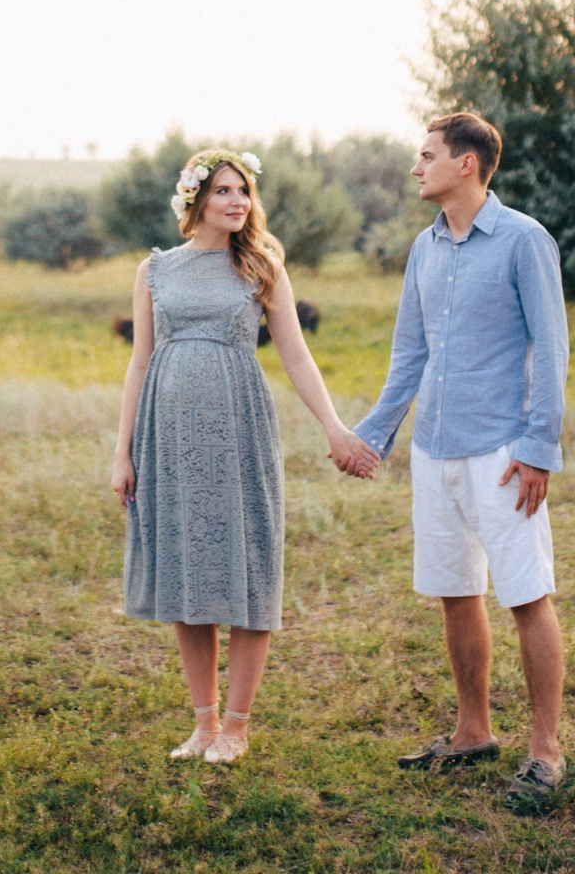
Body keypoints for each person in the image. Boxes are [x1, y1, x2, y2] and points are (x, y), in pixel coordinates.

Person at [112, 148, 380, 763]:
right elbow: (139, 360)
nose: (238, 202)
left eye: (244, 191)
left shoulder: (262, 266)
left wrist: (336, 429)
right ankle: (203, 724)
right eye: (224, 191)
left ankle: (237, 727)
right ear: (195, 200)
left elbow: (296, 356)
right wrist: (122, 451)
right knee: (187, 571)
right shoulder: (156, 270)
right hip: (169, 434)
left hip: (239, 429)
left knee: (247, 564)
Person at [350, 112, 572, 813]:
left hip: (504, 453)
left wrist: (538, 450)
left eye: (426, 156)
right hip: (434, 451)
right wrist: (374, 437)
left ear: (466, 164)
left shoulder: (523, 240)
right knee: (455, 591)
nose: (415, 168)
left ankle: (545, 752)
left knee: (526, 595)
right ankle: (472, 731)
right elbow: (410, 352)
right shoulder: (425, 247)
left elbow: (552, 349)